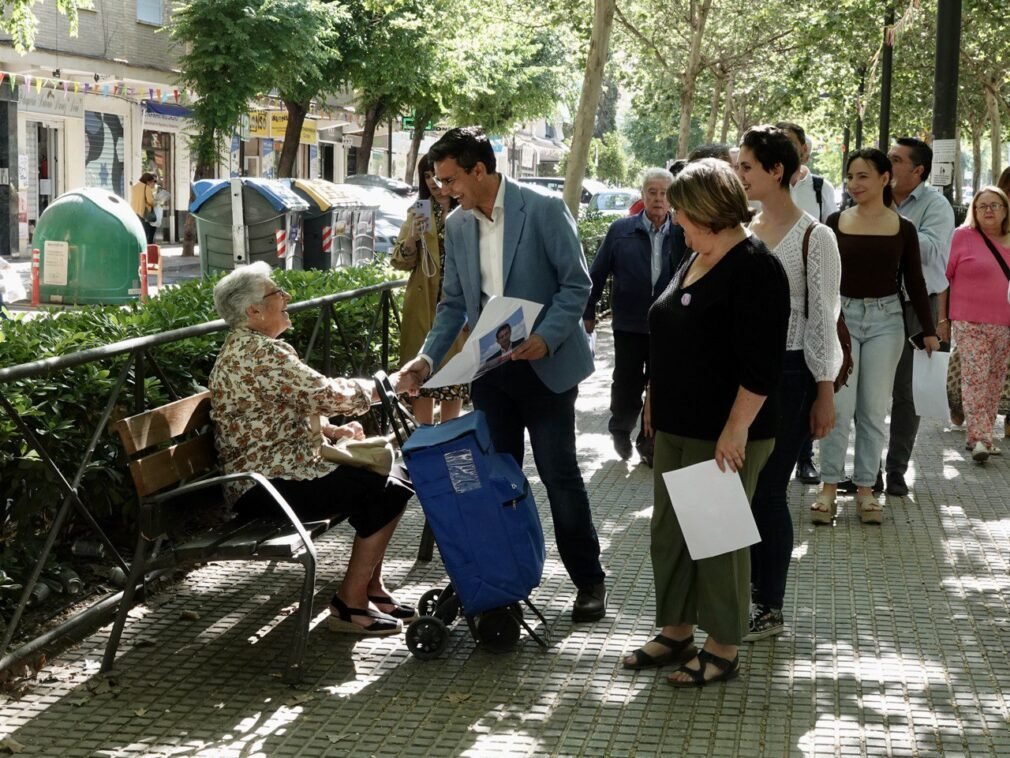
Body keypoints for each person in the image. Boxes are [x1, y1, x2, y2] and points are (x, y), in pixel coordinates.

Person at [399, 126, 607, 622]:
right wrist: (427, 360)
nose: (444, 191)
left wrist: (548, 336)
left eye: (450, 180)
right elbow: (452, 304)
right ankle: (503, 586)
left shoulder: (542, 209)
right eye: (438, 181)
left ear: (480, 170)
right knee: (497, 480)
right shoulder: (457, 224)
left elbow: (576, 285)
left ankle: (590, 580)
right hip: (491, 371)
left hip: (548, 366)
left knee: (559, 476)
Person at [622, 158, 789, 686]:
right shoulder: (697, 254)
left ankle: (723, 645)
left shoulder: (756, 267)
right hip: (675, 423)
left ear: (711, 212)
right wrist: (653, 396)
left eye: (682, 215)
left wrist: (736, 428)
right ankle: (676, 631)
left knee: (716, 538)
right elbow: (672, 330)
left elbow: (761, 366)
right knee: (670, 535)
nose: (675, 224)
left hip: (724, 431)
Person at [208, 262, 416, 636]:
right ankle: (349, 602)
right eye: (276, 294)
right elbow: (327, 394)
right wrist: (393, 384)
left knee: (394, 478)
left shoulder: (254, 349)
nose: (286, 298)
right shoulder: (259, 354)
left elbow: (284, 412)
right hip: (262, 486)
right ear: (253, 311)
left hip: (280, 472)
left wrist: (335, 432)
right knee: (383, 488)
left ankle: (369, 587)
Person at [735, 125, 842, 641]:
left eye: (748, 167)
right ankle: (738, 594)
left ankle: (768, 604)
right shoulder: (742, 230)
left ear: (777, 171)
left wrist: (824, 391)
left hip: (794, 373)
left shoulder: (815, 237)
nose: (740, 175)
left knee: (768, 491)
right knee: (739, 489)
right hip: (741, 376)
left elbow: (823, 318)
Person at [814, 149, 939, 525]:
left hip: (887, 320)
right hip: (843, 319)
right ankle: (829, 486)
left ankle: (867, 489)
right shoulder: (834, 222)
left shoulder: (903, 228)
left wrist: (930, 332)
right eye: (850, 176)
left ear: (886, 178)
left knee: (872, 410)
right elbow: (820, 279)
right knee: (839, 407)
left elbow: (915, 282)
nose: (854, 184)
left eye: (863, 176)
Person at [584, 167, 686, 466]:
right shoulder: (621, 230)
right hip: (629, 322)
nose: (658, 199)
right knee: (627, 383)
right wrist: (588, 311)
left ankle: (648, 442)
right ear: (643, 196)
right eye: (652, 192)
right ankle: (620, 429)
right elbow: (597, 273)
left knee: (661, 384)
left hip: (668, 326)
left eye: (664, 193)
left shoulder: (682, 232)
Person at [882, 138, 955, 496]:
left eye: (895, 160)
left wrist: (884, 221)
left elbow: (932, 250)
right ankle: (863, 471)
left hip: (916, 307)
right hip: (872, 304)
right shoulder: (871, 199)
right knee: (863, 391)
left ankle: (896, 469)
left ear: (918, 170)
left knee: (906, 394)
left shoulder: (937, 206)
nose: (887, 164)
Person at [776, 121, 839, 486]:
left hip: (804, 314)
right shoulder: (754, 211)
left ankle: (805, 457)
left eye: (789, 143)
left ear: (804, 150)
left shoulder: (819, 189)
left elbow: (828, 237)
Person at [391, 155, 468, 425]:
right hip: (424, 302)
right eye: (426, 177)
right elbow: (401, 261)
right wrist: (412, 235)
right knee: (420, 374)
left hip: (457, 302)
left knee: (453, 374)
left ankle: (450, 435)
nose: (433, 183)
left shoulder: (467, 209)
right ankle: (424, 437)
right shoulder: (420, 210)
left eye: (436, 175)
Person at [943, 186, 1010, 462]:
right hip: (969, 321)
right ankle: (979, 437)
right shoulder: (963, 236)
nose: (988, 211)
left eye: (995, 205)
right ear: (974, 210)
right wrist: (942, 319)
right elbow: (944, 279)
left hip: (1004, 322)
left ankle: (984, 436)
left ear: (1005, 210)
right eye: (982, 206)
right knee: (974, 377)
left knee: (995, 380)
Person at [130, 172, 157, 244]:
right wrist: (156, 202)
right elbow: (150, 201)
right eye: (151, 181)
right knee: (145, 233)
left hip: (134, 211)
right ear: (147, 181)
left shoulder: (134, 186)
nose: (151, 183)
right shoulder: (146, 187)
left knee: (137, 231)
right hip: (143, 212)